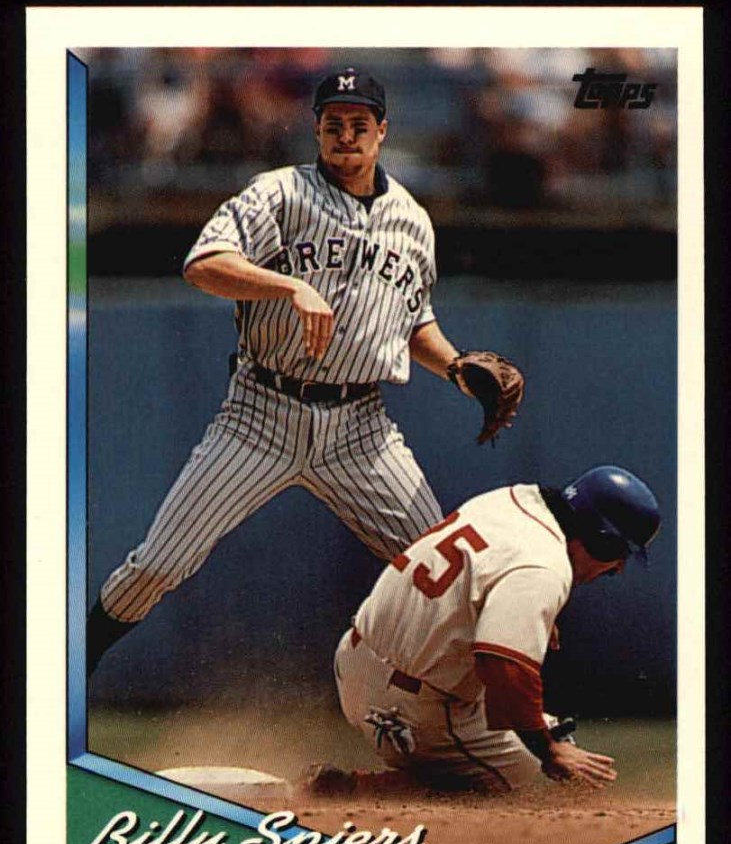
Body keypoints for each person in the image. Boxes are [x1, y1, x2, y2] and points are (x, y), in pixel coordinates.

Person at [87, 67, 502, 675]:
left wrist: (459, 369)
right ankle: (67, 671)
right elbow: (204, 263)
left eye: (359, 124)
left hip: (361, 431)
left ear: (382, 131)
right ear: (317, 129)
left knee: (443, 577)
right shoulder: (280, 193)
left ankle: (494, 714)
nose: (346, 136)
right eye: (334, 124)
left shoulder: (412, 219)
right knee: (157, 564)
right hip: (261, 415)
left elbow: (413, 323)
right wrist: (289, 287)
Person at [331, 465, 661, 794]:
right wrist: (548, 751)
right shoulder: (544, 567)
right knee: (535, 769)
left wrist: (521, 607)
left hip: (353, 660)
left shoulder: (512, 500)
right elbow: (504, 668)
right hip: (405, 707)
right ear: (602, 543)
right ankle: (361, 790)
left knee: (548, 728)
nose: (619, 568)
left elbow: (489, 574)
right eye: (620, 554)